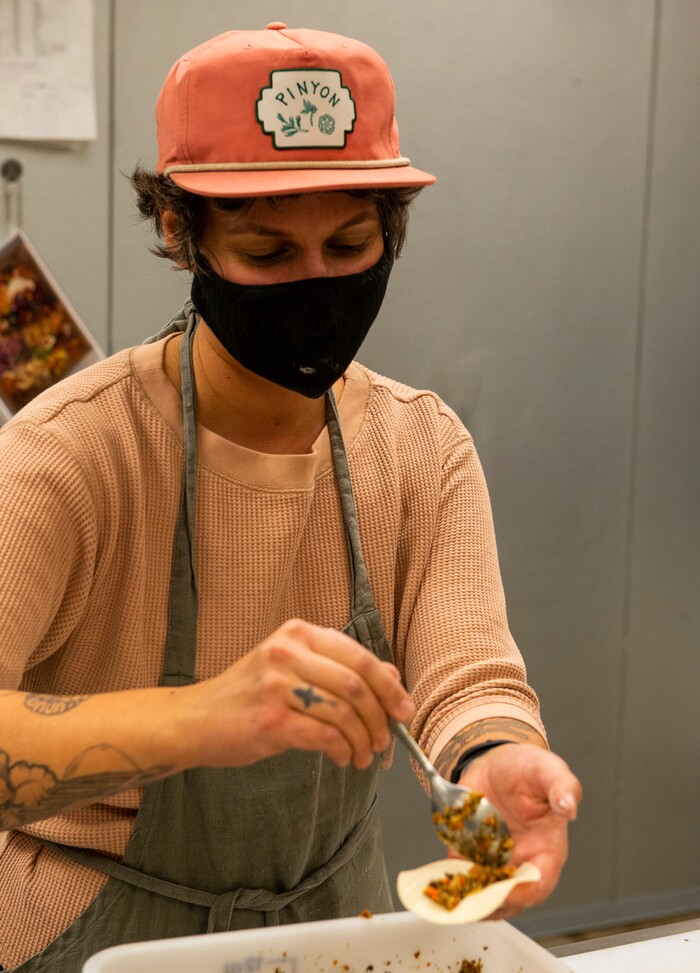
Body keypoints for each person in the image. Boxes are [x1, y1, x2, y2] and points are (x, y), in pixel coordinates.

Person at [0, 23, 581, 972]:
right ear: (178, 232)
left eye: (349, 244)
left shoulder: (419, 448)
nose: (315, 287)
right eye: (267, 255)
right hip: (93, 934)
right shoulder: (71, 455)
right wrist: (201, 719)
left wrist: (495, 759)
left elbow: (467, 675)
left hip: (334, 933)